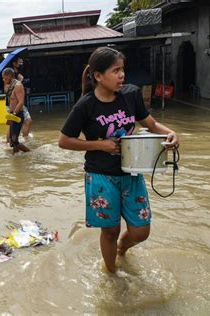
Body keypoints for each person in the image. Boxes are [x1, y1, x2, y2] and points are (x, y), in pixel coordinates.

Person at [58, 47, 179, 274]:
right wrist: (99, 145)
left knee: (141, 231)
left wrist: (170, 134)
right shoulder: (85, 105)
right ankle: (111, 273)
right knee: (110, 230)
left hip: (131, 173)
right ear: (98, 76)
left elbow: (151, 125)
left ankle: (122, 249)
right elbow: (63, 141)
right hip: (101, 175)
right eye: (115, 71)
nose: (122, 75)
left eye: (122, 69)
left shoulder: (131, 95)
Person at [2, 68, 30, 153]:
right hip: (12, 114)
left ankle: (29, 153)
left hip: (17, 115)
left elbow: (21, 102)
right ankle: (15, 157)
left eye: (5, 77)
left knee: (14, 140)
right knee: (12, 140)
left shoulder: (18, 85)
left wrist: (13, 115)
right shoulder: (11, 86)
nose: (3, 79)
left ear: (9, 76)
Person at [11, 56, 33, 138]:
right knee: (27, 121)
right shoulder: (11, 74)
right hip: (16, 103)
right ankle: (24, 139)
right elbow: (11, 88)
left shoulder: (17, 73)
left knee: (15, 123)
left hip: (18, 102)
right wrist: (20, 81)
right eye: (20, 63)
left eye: (22, 63)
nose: (21, 64)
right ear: (14, 63)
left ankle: (17, 139)